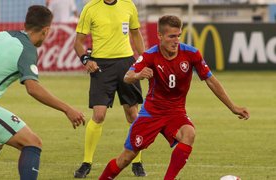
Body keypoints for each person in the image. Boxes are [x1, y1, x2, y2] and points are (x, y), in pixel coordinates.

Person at [99, 15, 250, 180]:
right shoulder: (150, 55)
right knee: (126, 158)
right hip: (152, 113)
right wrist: (138, 75)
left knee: (189, 133)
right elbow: (127, 76)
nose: (176, 40)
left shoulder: (191, 54)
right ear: (160, 36)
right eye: (172, 36)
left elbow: (211, 81)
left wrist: (233, 107)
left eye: (179, 35)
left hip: (176, 113)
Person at [0, 5, 85, 180]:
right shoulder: (27, 49)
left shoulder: (2, 35)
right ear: (46, 30)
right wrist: (67, 109)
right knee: (33, 143)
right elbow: (32, 88)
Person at [73, 0, 146, 178]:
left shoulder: (128, 5)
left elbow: (136, 34)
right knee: (99, 115)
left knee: (132, 114)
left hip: (126, 63)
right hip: (101, 65)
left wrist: (144, 59)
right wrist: (86, 60)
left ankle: (137, 162)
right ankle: (86, 162)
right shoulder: (90, 8)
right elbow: (78, 43)